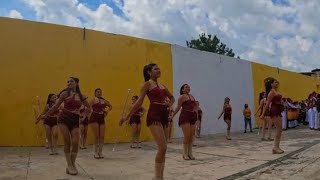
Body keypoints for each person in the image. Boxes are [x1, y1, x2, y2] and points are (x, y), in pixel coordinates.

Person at [120, 63, 175, 180]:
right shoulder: (147, 84)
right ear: (149, 72)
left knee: (164, 149)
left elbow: (172, 98)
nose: (158, 70)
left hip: (164, 115)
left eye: (159, 68)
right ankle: (157, 177)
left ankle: (161, 176)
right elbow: (139, 102)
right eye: (156, 69)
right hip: (154, 115)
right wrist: (127, 116)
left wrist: (169, 105)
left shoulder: (163, 85)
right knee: (162, 147)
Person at [41, 77, 92, 175]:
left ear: (76, 83)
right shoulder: (64, 94)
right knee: (67, 142)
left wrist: (83, 115)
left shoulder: (81, 96)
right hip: (63, 119)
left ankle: (72, 164)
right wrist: (45, 115)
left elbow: (89, 108)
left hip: (75, 120)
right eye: (67, 81)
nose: (69, 83)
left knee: (76, 143)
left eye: (71, 81)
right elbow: (55, 106)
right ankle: (69, 165)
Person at [170, 84, 197, 160]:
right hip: (185, 116)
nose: (188, 88)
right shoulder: (181, 97)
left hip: (192, 117)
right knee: (187, 136)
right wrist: (172, 116)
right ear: (182, 90)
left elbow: (195, 106)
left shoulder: (192, 96)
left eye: (189, 87)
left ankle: (190, 153)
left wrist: (195, 114)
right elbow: (178, 107)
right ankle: (184, 153)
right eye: (186, 87)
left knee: (192, 136)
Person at [261, 78, 284, 154]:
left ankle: (277, 146)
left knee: (280, 129)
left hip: (278, 109)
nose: (277, 83)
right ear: (271, 84)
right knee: (278, 128)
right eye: (275, 82)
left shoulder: (275, 91)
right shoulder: (271, 93)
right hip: (274, 110)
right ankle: (275, 147)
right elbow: (267, 105)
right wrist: (263, 114)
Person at [89, 88, 112, 159]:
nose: (99, 93)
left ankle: (100, 152)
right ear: (95, 93)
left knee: (102, 136)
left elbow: (110, 106)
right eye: (98, 92)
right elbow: (88, 107)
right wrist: (91, 112)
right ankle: (95, 152)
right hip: (94, 118)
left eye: (100, 92)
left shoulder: (104, 100)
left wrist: (106, 112)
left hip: (101, 118)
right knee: (96, 136)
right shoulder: (93, 100)